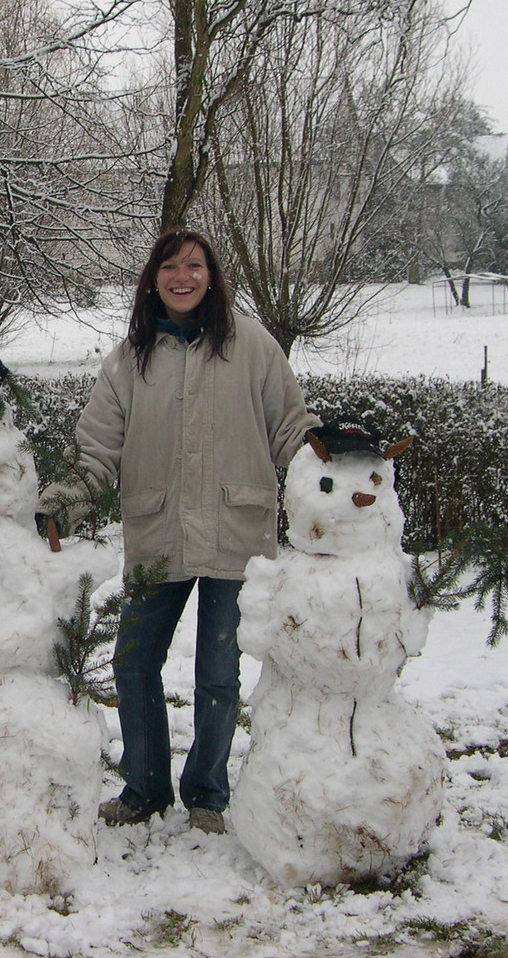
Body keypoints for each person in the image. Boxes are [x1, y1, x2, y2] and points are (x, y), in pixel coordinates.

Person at [67, 227, 316, 835]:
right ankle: (144, 788)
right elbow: (99, 447)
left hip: (238, 529)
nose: (183, 276)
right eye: (171, 266)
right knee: (132, 662)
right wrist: (70, 494)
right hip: (160, 532)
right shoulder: (130, 358)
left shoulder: (252, 345)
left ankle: (207, 791)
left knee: (218, 674)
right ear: (154, 278)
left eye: (195, 266)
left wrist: (328, 460)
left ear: (212, 276)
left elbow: (290, 426)